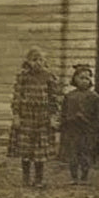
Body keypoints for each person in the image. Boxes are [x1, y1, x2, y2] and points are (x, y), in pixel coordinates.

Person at [8, 48, 60, 188]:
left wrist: (53, 116)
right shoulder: (23, 77)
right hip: (26, 115)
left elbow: (53, 98)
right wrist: (17, 116)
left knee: (40, 149)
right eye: (34, 60)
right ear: (28, 62)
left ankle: (39, 179)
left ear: (45, 62)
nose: (38, 63)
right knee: (26, 148)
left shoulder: (49, 77)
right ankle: (25, 178)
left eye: (41, 60)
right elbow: (17, 97)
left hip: (42, 116)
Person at [58, 64, 99, 186]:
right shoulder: (69, 96)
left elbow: (97, 116)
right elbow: (64, 113)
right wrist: (65, 123)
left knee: (85, 153)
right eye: (81, 78)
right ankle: (74, 177)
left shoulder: (95, 97)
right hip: (72, 129)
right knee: (73, 154)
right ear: (75, 79)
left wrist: (93, 128)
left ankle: (84, 177)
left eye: (87, 78)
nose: (84, 81)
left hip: (87, 130)